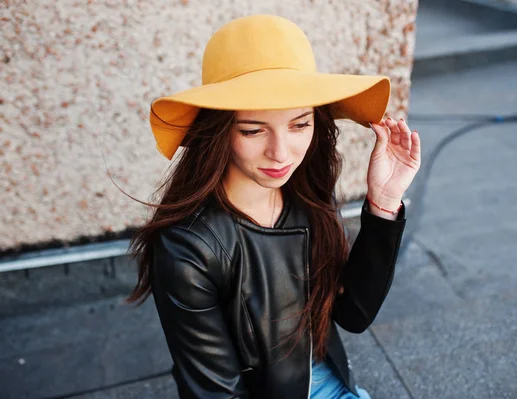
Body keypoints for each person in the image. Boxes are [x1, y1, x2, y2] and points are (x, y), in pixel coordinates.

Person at [125, 14, 421, 399]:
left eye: (299, 125)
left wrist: (383, 205)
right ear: (218, 131)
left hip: (332, 383)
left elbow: (353, 315)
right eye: (253, 129)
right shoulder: (188, 248)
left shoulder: (307, 195)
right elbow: (217, 393)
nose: (281, 153)